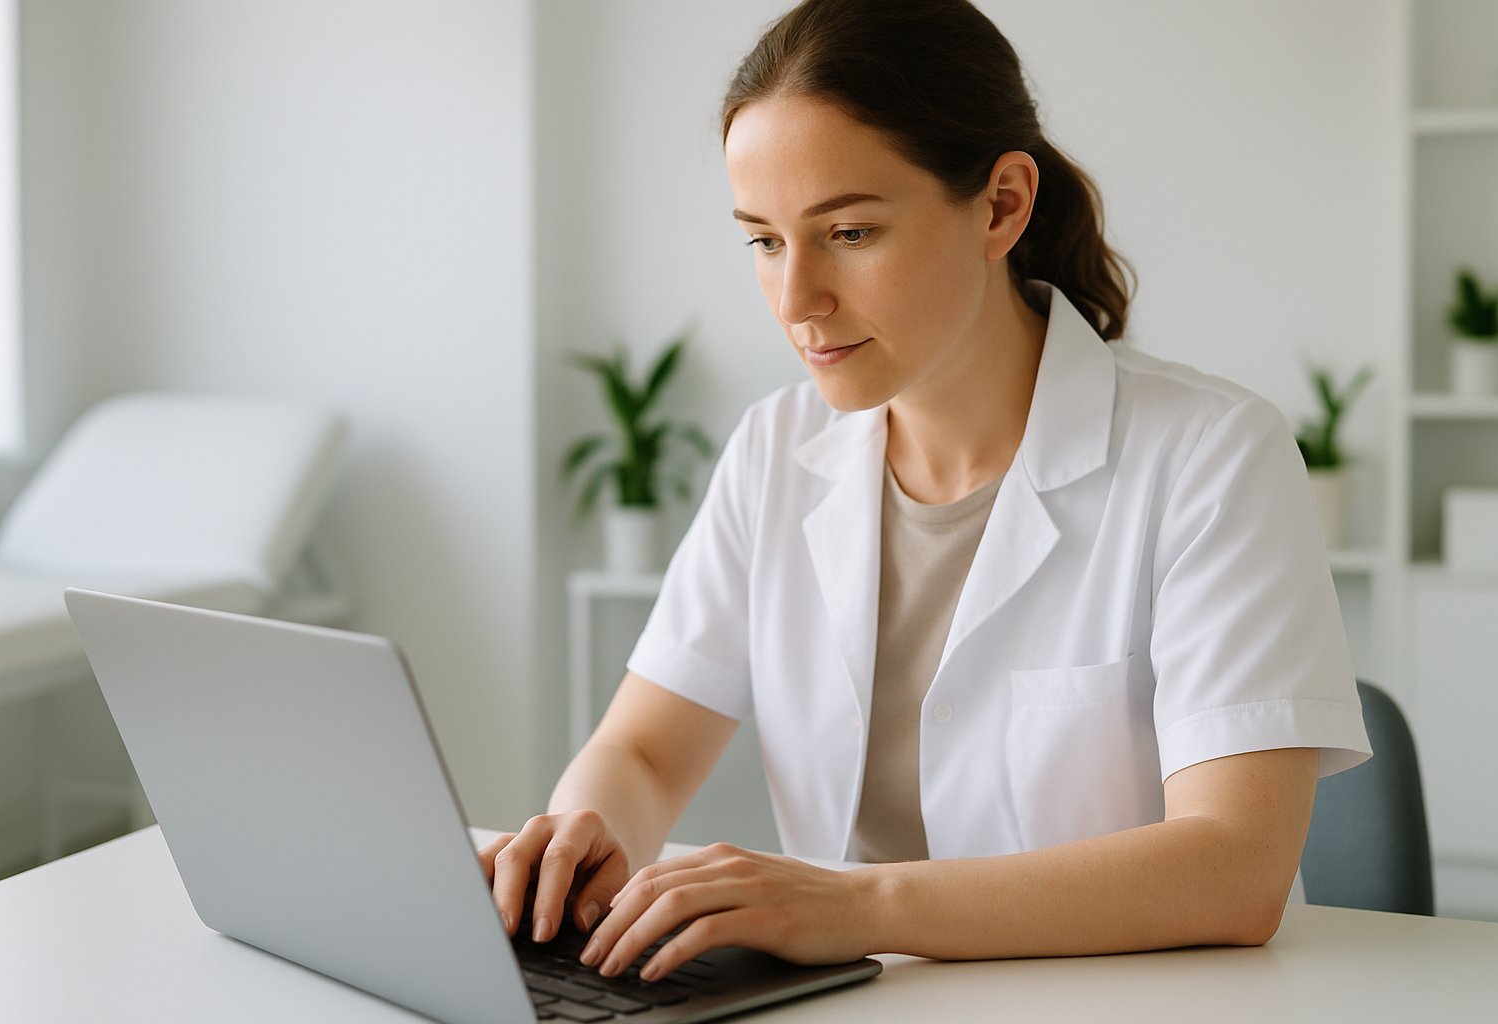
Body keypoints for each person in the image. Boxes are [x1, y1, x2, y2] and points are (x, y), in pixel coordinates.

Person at [479, 0, 1371, 983]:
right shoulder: (777, 450)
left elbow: (1234, 869)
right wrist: (576, 839)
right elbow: (645, 752)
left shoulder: (1211, 455)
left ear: (1001, 205)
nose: (794, 300)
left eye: (849, 231)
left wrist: (853, 903)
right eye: (764, 242)